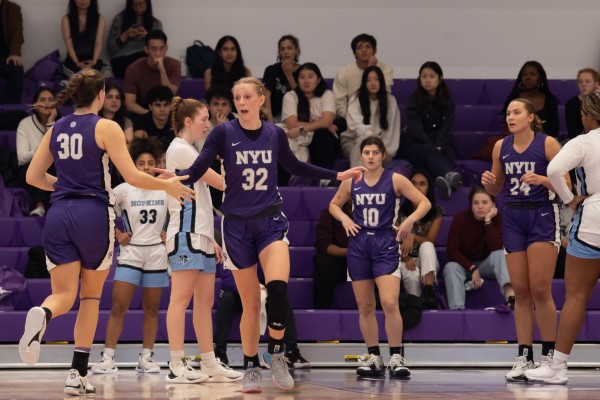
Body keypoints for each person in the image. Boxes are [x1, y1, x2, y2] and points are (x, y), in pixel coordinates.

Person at [166, 77, 364, 393]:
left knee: (278, 290)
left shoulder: (274, 134)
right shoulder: (223, 133)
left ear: (261, 99)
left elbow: (296, 166)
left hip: (270, 222)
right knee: (251, 305)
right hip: (235, 228)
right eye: (236, 97)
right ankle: (251, 366)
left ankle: (276, 353)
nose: (241, 102)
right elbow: (200, 167)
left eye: (247, 96)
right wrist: (171, 179)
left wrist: (335, 174)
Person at [18, 69, 193, 397]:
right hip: (92, 215)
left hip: (58, 215)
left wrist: (65, 185)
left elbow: (32, 176)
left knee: (64, 296)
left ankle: (43, 313)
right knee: (89, 298)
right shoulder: (106, 126)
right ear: (100, 95)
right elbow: (133, 176)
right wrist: (167, 185)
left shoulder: (55, 128)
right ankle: (76, 373)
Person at [329, 136, 430, 378]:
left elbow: (424, 203)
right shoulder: (352, 180)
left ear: (383, 155)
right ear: (361, 155)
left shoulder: (394, 178)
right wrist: (345, 218)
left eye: (376, 152)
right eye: (367, 152)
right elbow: (333, 205)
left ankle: (396, 356)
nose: (371, 156)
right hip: (359, 245)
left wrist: (408, 221)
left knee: (389, 302)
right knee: (365, 306)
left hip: (385, 243)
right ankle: (374, 356)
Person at [481, 97, 566, 382]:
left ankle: (550, 357)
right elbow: (498, 186)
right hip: (514, 216)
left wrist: (543, 180)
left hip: (542, 215)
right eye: (507, 113)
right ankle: (524, 357)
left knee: (540, 288)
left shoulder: (548, 144)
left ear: (531, 117)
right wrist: (489, 184)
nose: (510, 117)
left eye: (516, 112)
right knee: (520, 289)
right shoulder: (499, 147)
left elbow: (569, 182)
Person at [164, 96, 241, 384]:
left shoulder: (192, 149)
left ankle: (209, 362)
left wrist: (212, 239)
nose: (208, 123)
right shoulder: (180, 149)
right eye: (204, 118)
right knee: (180, 299)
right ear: (188, 121)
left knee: (206, 301)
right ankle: (175, 364)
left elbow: (206, 202)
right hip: (185, 234)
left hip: (202, 236)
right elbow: (221, 182)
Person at [525, 91, 600, 384]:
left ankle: (557, 367)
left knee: (576, 296)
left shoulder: (584, 141)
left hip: (593, 215)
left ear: (589, 116)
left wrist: (569, 199)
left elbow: (555, 169)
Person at [91, 137, 168, 375]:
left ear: (157, 164)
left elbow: (180, 214)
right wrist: (117, 233)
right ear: (133, 164)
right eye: (141, 163)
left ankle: (146, 357)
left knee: (152, 309)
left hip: (157, 253)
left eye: (150, 163)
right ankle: (107, 358)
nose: (145, 167)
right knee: (117, 307)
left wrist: (170, 233)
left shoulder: (166, 187)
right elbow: (102, 210)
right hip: (131, 253)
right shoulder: (124, 189)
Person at [214, 268, 311, 369]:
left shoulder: (263, 253)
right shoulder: (234, 252)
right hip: (238, 293)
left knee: (280, 298)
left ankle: (292, 353)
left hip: (260, 293)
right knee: (227, 298)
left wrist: (267, 288)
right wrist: (252, 289)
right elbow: (227, 280)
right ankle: (220, 353)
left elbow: (274, 275)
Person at [442, 186, 514, 310]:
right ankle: (457, 310)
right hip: (465, 266)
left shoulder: (497, 220)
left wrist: (488, 221)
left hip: (487, 266)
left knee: (501, 254)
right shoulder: (460, 219)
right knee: (450, 267)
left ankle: (511, 297)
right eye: (476, 203)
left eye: (485, 202)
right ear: (471, 206)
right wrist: (472, 268)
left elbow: (496, 247)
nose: (480, 206)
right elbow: (452, 251)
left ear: (493, 205)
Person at [399, 61, 461, 200]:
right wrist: (433, 147)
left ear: (440, 78)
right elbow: (415, 129)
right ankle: (449, 175)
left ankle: (444, 182)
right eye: (424, 76)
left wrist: (439, 145)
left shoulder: (447, 100)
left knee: (447, 154)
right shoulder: (413, 100)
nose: (427, 80)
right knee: (430, 153)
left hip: (441, 142)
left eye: (432, 76)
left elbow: (447, 126)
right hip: (416, 144)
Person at [281, 62, 338, 173]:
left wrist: (301, 128)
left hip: (321, 140)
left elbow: (326, 122)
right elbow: (291, 124)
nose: (306, 81)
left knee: (322, 133)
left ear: (318, 79)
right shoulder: (291, 96)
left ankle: (325, 179)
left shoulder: (327, 94)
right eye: (302, 77)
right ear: (297, 80)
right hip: (298, 138)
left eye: (310, 77)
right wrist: (320, 123)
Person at [397, 169, 443, 309]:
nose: (417, 188)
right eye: (413, 183)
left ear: (428, 187)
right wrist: (405, 257)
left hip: (427, 260)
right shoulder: (399, 209)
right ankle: (416, 304)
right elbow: (393, 239)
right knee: (410, 275)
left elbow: (430, 239)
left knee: (427, 246)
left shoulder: (436, 211)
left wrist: (412, 235)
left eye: (422, 184)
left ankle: (429, 290)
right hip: (403, 258)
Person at [341, 65, 400, 168]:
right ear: (364, 82)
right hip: (353, 141)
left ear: (381, 81)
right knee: (364, 143)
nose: (373, 83)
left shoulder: (390, 100)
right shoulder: (356, 98)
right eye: (368, 80)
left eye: (376, 79)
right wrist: (371, 136)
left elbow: (392, 130)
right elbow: (355, 125)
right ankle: (357, 180)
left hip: (382, 146)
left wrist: (385, 151)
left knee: (371, 149)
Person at [16, 87, 58, 217]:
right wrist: (42, 152)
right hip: (30, 168)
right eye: (42, 99)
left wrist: (51, 124)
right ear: (35, 104)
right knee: (37, 167)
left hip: (56, 167)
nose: (46, 103)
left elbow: (62, 153)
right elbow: (22, 157)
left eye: (51, 100)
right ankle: (39, 207)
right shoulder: (25, 124)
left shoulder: (63, 124)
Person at [333, 33, 393, 120]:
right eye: (359, 48)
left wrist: (370, 69)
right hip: (350, 119)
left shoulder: (386, 69)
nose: (364, 50)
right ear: (354, 53)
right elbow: (340, 104)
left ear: (375, 50)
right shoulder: (343, 73)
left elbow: (382, 93)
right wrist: (354, 120)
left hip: (377, 117)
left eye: (367, 47)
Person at [124, 29, 180, 116]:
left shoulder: (174, 65)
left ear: (166, 49)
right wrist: (151, 114)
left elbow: (171, 94)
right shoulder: (133, 69)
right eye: (154, 49)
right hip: (144, 110)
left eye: (162, 49)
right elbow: (129, 104)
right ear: (146, 49)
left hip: (166, 109)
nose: (158, 53)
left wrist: (162, 70)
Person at [501, 61, 559, 138]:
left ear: (540, 79)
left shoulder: (550, 100)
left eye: (533, 74)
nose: (528, 78)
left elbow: (554, 130)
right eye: (524, 75)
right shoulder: (514, 98)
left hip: (544, 142)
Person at [107, 0, 162, 78]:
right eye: (134, 5)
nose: (138, 8)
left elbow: (158, 50)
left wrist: (147, 36)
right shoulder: (119, 19)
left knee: (149, 61)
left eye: (141, 4)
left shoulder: (155, 23)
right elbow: (111, 49)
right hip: (122, 61)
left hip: (144, 61)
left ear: (147, 4)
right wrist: (126, 34)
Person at [312, 202, 351, 309]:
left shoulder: (374, 213)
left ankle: (383, 309)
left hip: (367, 260)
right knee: (324, 262)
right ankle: (321, 311)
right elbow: (323, 245)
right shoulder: (329, 213)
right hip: (342, 262)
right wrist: (350, 252)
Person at [60, 0, 108, 77]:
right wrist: (77, 63)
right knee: (78, 79)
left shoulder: (100, 18)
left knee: (104, 75)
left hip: (93, 60)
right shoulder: (66, 19)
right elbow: (69, 44)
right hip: (73, 62)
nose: (83, 1)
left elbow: (98, 42)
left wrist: (93, 62)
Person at [262, 35, 300, 122]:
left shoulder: (302, 71)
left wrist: (289, 75)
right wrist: (269, 118)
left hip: (295, 116)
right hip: (275, 115)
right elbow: (266, 94)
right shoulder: (271, 70)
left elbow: (301, 98)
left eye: (289, 48)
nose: (286, 52)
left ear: (296, 51)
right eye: (282, 49)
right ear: (279, 53)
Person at [564, 68, 600, 140]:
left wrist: (597, 98)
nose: (583, 84)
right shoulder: (571, 104)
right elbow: (573, 132)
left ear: (596, 84)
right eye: (580, 81)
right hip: (579, 140)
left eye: (587, 81)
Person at [0, 0, 24, 103]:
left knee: (16, 68)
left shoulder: (13, 9)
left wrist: (14, 53)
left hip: (5, 58)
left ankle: (11, 109)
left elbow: (17, 32)